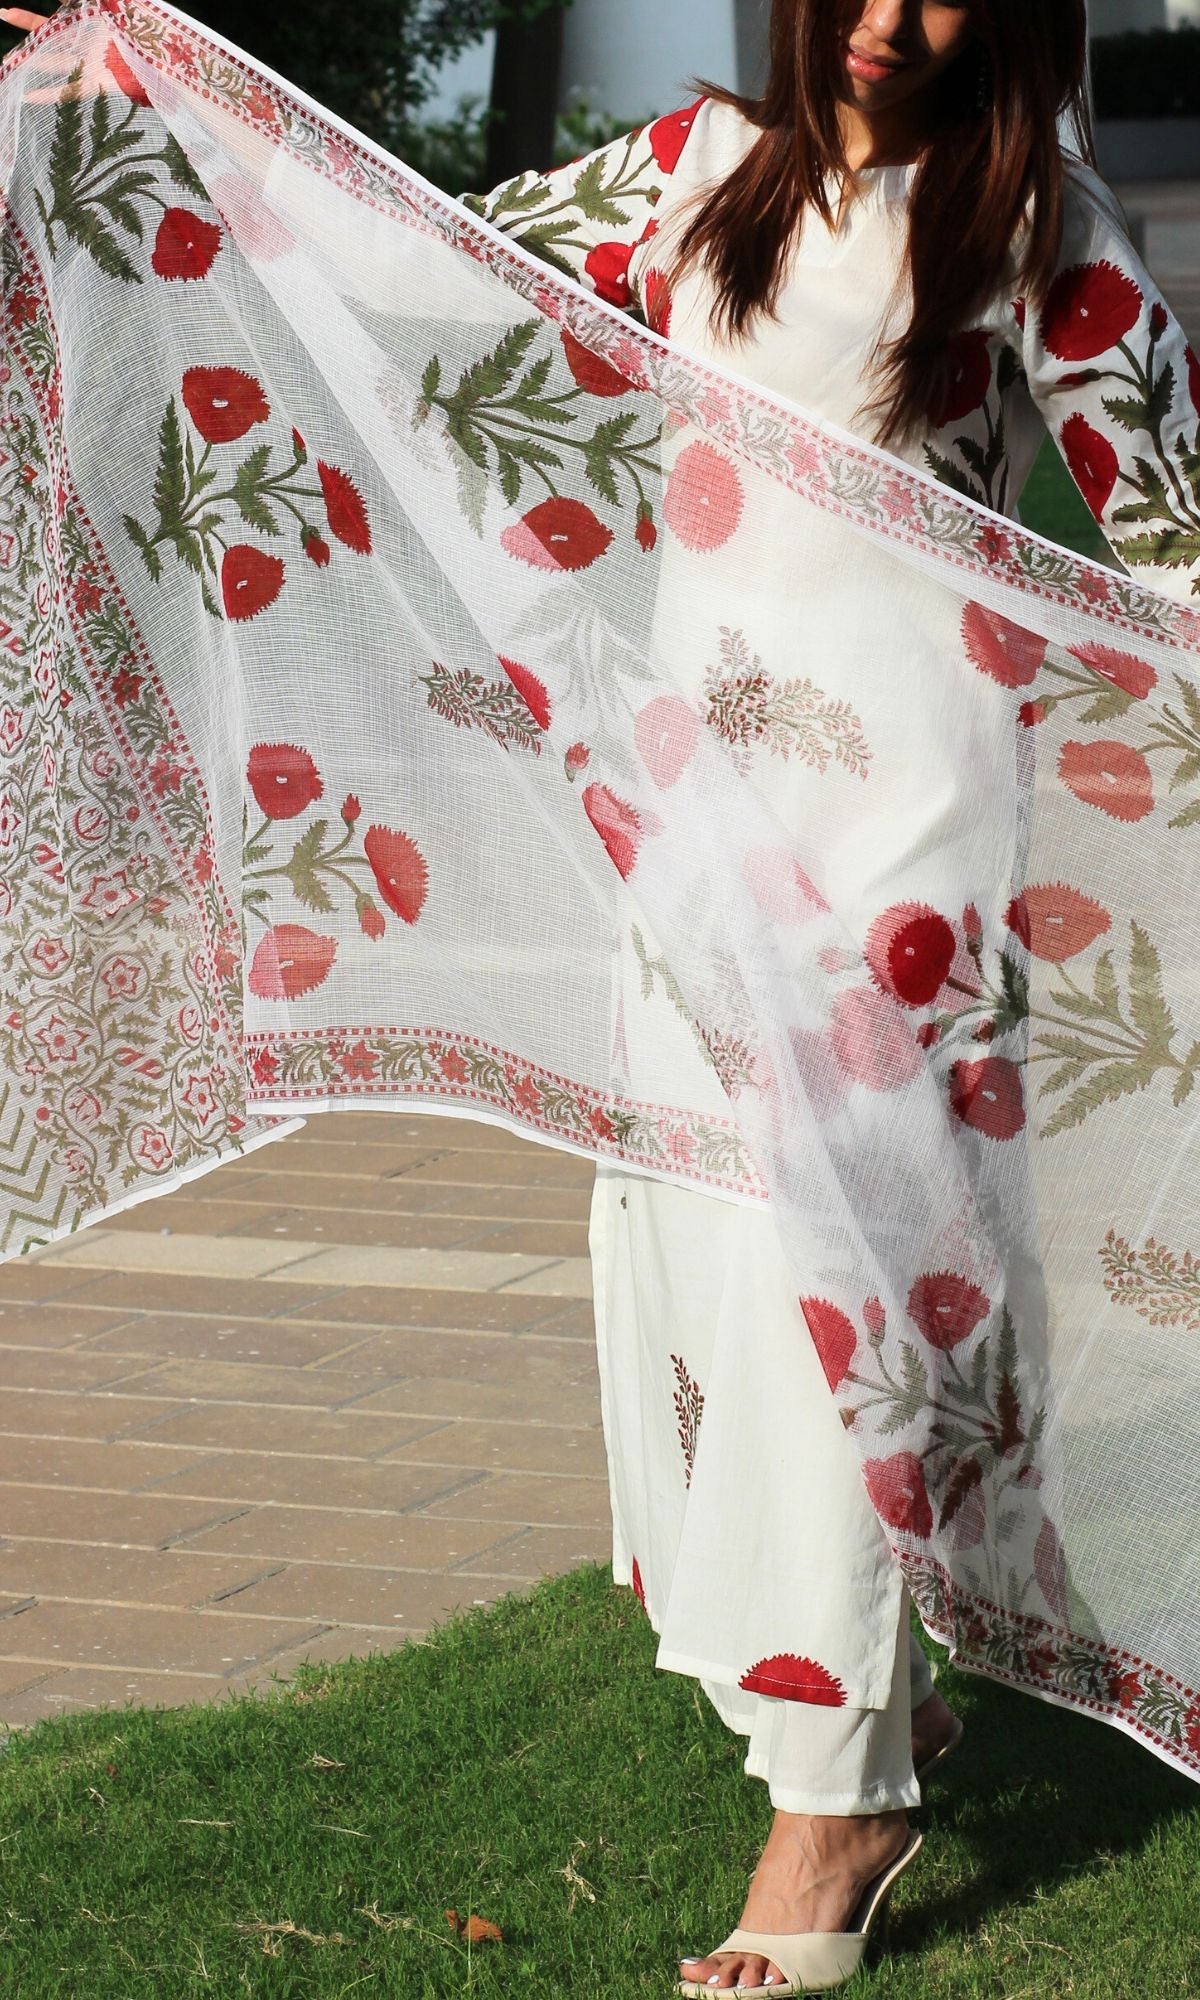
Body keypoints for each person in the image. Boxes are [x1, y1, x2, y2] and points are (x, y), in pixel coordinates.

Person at [3, 3, 1197, 1993]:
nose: (905, 13)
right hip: (704, 809)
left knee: (850, 1260)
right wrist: (159, 78)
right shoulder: (685, 176)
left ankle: (835, 1815)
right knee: (724, 1259)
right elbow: (391, 247)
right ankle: (869, 1703)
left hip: (908, 837)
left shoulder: (1037, 223)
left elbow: (1167, 542)